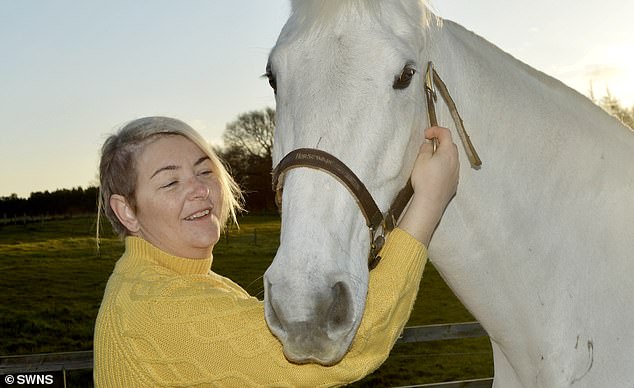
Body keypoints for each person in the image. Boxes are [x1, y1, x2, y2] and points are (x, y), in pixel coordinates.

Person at [93, 116, 459, 387]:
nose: (200, 190)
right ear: (127, 210)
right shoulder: (156, 308)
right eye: (171, 181)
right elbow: (337, 351)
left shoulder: (176, 283)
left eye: (205, 172)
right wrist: (429, 200)